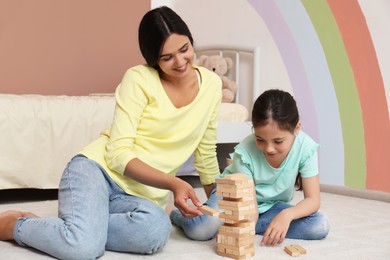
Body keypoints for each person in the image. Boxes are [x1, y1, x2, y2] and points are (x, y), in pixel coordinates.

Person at [0, 6, 222, 259]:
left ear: (191, 42)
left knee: (155, 231)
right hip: (96, 172)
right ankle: (15, 226)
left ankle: (79, 227)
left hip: (139, 197)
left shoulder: (212, 85)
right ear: (152, 59)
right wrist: (174, 183)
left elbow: (205, 151)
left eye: (184, 49)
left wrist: (212, 212)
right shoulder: (138, 79)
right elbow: (118, 154)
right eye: (166, 57)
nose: (180, 62)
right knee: (84, 249)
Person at [170, 89, 329, 246]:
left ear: (297, 128)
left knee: (319, 225)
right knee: (202, 230)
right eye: (260, 139)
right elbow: (249, 206)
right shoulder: (245, 151)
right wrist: (239, 229)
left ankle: (245, 224)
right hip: (234, 199)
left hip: (270, 206)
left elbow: (313, 200)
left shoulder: (306, 148)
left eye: (278, 141)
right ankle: (179, 216)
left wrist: (287, 215)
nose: (269, 149)